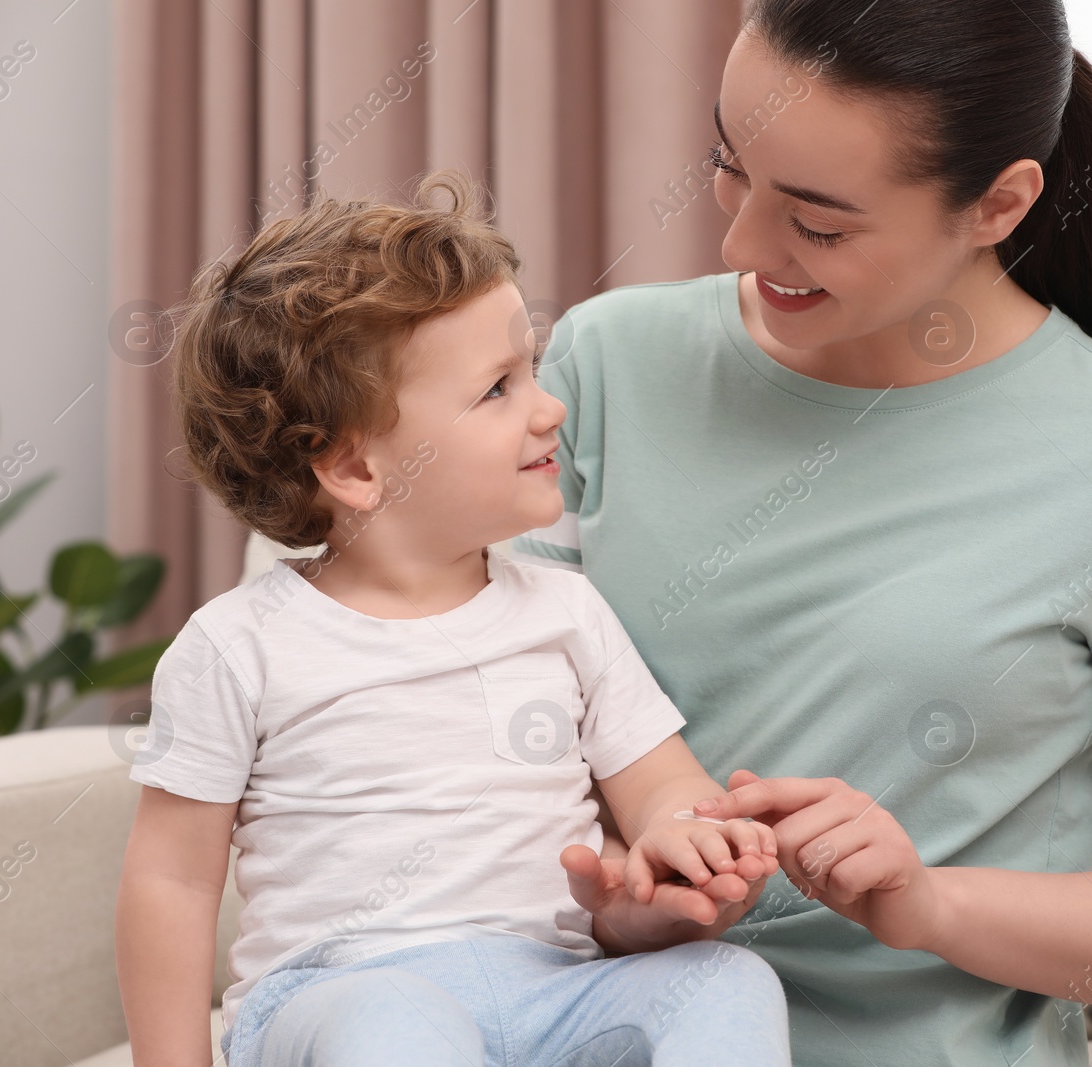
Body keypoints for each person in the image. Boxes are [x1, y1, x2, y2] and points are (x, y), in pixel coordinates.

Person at [513, 1, 1092, 1064]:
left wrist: (928, 902)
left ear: (997, 203)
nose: (739, 242)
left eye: (819, 222)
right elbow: (486, 734)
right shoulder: (603, 367)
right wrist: (619, 903)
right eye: (728, 164)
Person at [114, 172, 793, 1067]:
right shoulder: (236, 646)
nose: (549, 408)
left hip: (553, 986)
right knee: (396, 1018)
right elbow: (170, 879)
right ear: (354, 469)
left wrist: (680, 832)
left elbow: (659, 780)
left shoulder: (567, 613)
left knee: (730, 981)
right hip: (334, 997)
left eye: (534, 370)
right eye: (497, 390)